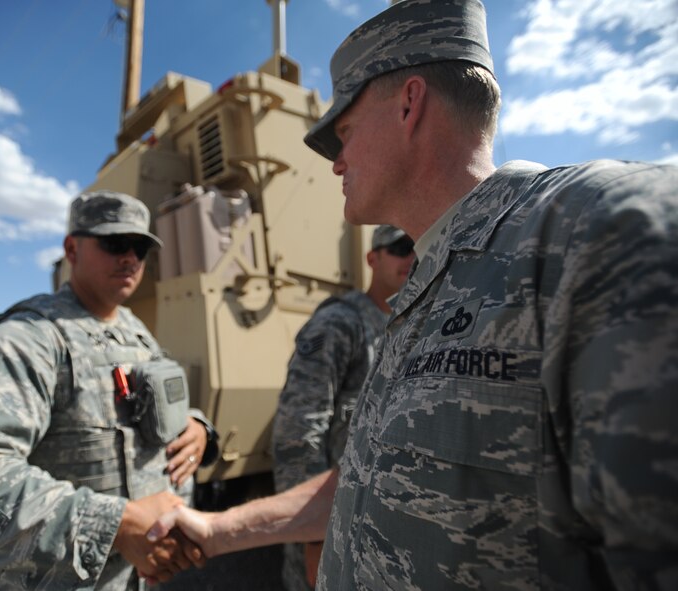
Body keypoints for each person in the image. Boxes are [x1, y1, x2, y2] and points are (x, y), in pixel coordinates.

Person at [146, 1, 678, 589]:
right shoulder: (426, 289)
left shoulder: (603, 231)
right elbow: (379, 476)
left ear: (409, 102)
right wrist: (221, 529)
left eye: (344, 132)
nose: (336, 162)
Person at [0, 191, 218, 590]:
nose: (130, 258)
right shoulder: (29, 338)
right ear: (72, 248)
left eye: (140, 247)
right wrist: (115, 525)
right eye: (115, 243)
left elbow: (153, 409)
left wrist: (197, 427)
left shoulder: (134, 332)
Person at [272, 224, 413, 590]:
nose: (411, 257)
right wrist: (313, 535)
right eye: (399, 248)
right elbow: (296, 432)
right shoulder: (341, 322)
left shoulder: (410, 324)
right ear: (372, 258)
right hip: (331, 524)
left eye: (417, 246)